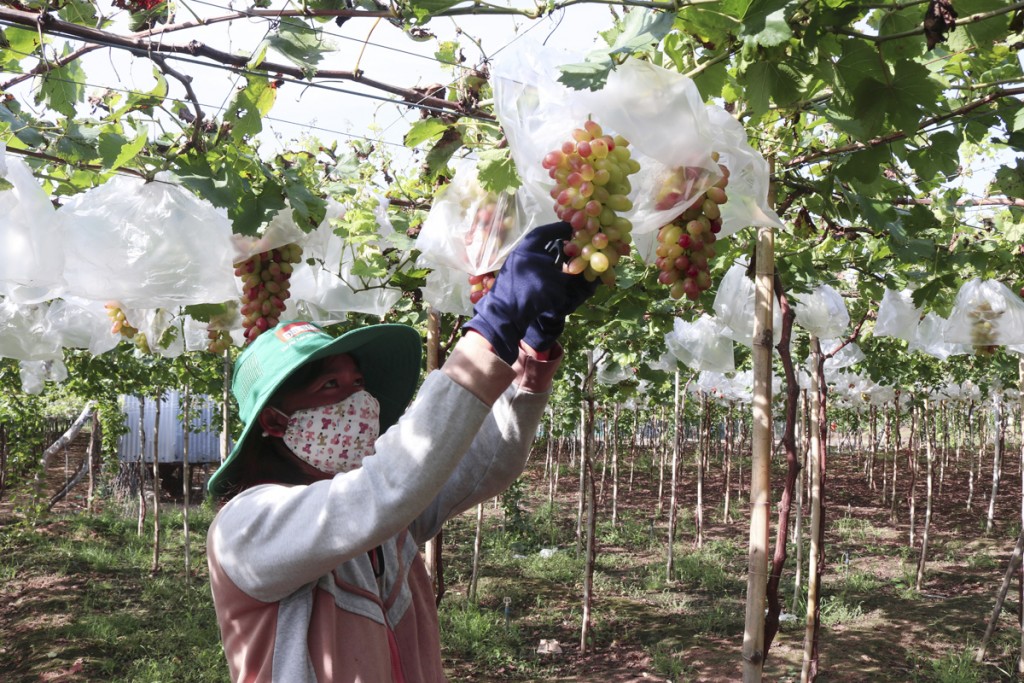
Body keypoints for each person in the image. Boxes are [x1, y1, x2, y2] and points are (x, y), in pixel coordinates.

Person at [205, 221, 595, 683]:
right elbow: (383, 490)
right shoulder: (245, 527)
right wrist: (491, 330)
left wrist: (531, 353)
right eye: (330, 386)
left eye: (358, 384)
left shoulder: (387, 525)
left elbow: (486, 463)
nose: (358, 402)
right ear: (274, 421)